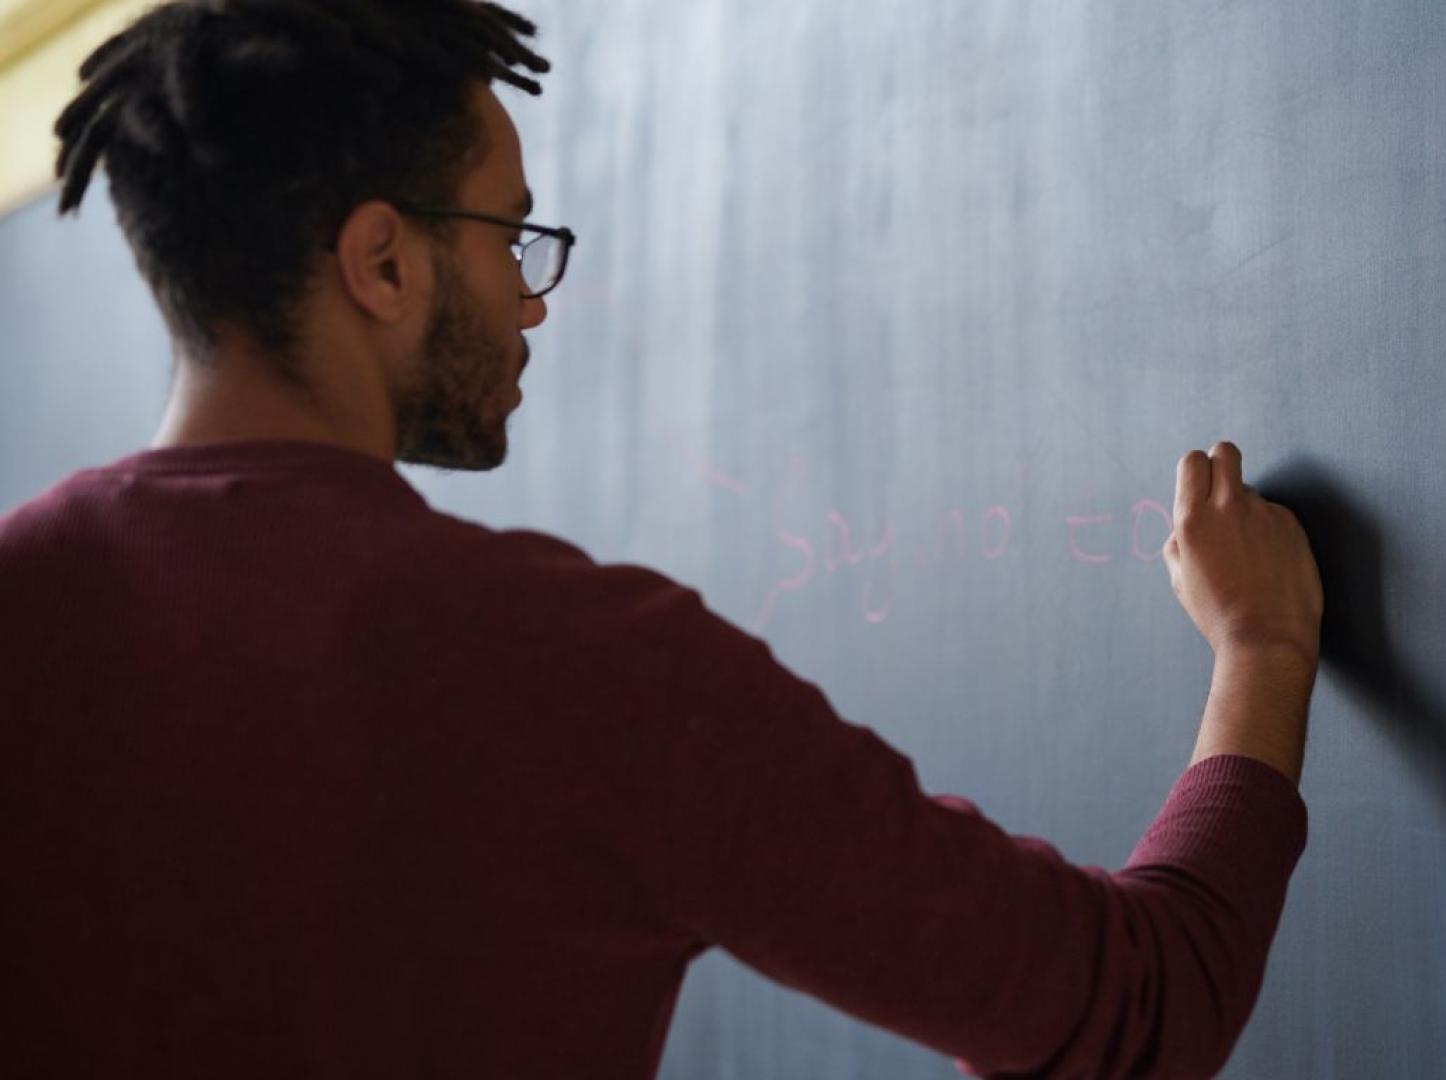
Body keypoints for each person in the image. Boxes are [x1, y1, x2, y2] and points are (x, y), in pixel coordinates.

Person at [0, 1, 1325, 1076]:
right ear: (385, 264)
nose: (530, 303)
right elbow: (1138, 1016)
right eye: (509, 238)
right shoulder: (567, 664)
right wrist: (1262, 644)